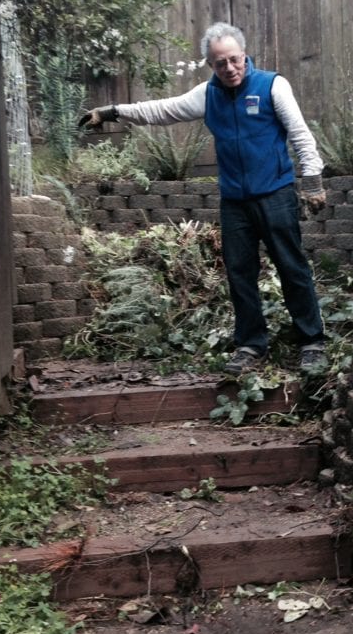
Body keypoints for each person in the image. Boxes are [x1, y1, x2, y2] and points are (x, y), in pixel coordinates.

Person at [79, 21, 328, 374]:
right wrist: (112, 112)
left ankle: (312, 342)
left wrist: (313, 180)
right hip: (235, 202)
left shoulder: (273, 85)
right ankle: (251, 345)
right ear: (210, 65)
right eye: (219, 63)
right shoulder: (207, 94)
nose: (229, 68)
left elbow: (301, 135)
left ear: (244, 55)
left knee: (291, 267)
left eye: (234, 60)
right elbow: (162, 110)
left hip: (276, 193)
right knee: (240, 273)